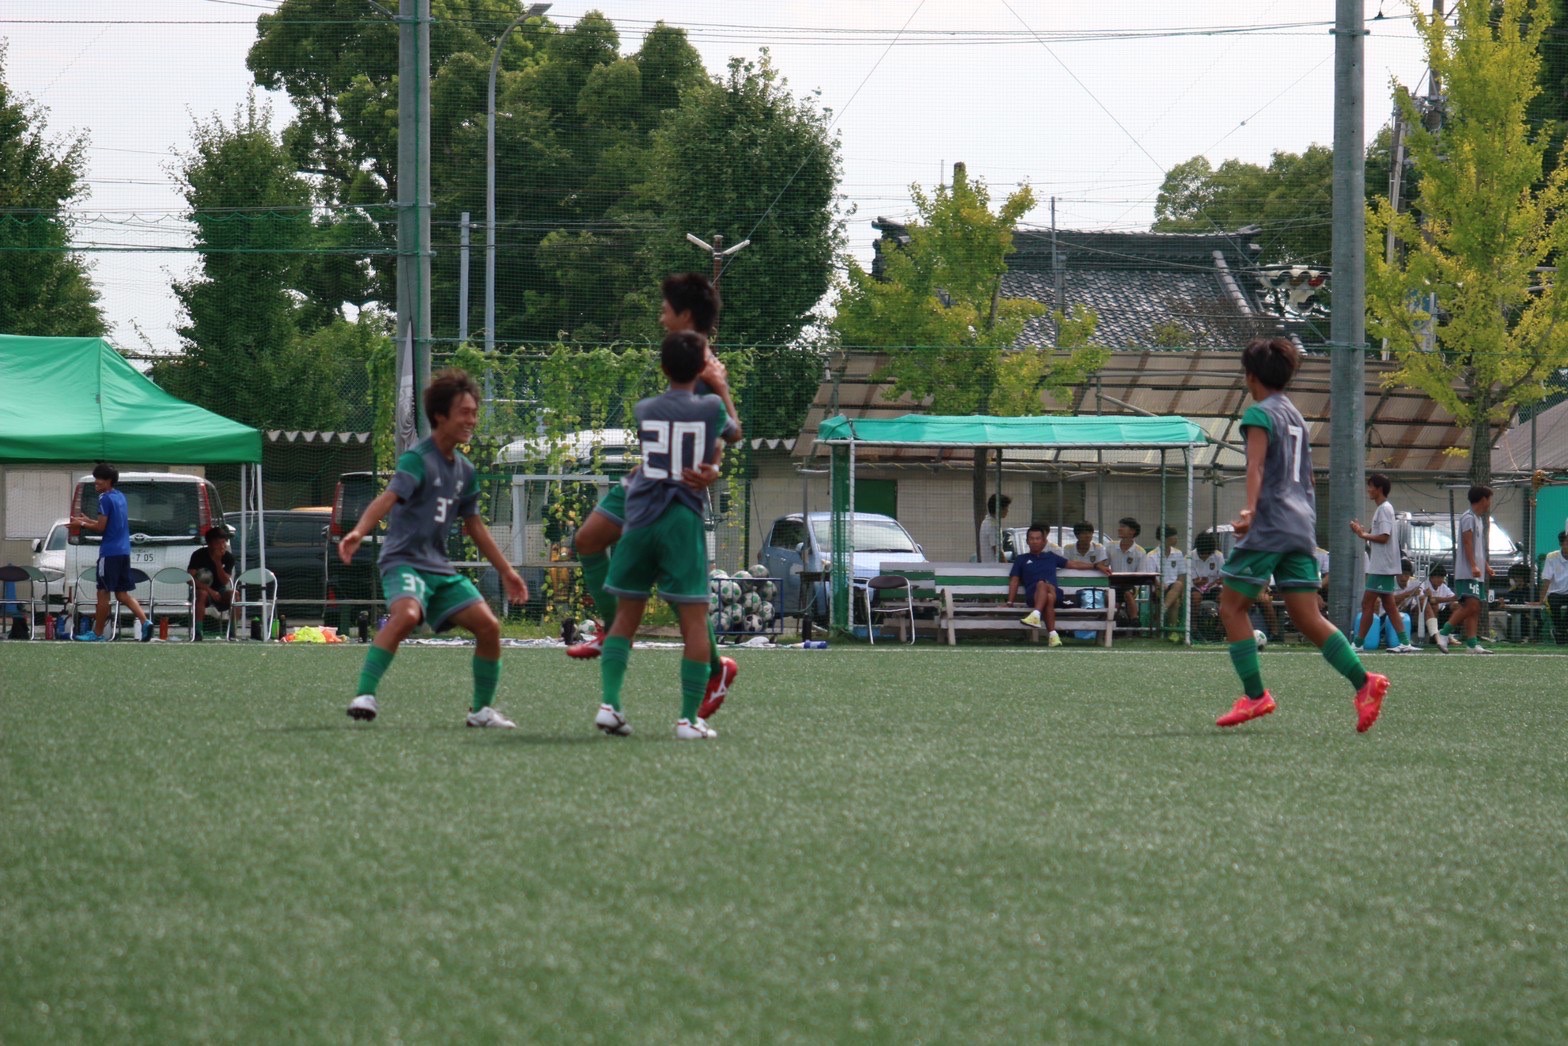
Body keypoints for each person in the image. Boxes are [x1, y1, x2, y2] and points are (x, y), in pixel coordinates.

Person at [566, 273, 740, 721]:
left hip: (667, 492)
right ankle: (615, 631)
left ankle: (713, 669)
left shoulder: (705, 366)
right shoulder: (686, 354)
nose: (661, 316)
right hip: (646, 481)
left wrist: (713, 469)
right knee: (587, 540)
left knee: (684, 601)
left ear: (685, 314)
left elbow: (721, 432)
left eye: (665, 309)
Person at [1213, 337, 1387, 732]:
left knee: (1231, 608)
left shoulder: (1259, 414)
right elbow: (1305, 476)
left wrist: (1250, 510)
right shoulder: (1295, 417)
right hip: (1300, 525)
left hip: (1270, 523)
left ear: (1250, 376)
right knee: (1306, 616)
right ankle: (1365, 682)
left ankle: (1255, 696)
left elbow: (1256, 466)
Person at [342, 369, 529, 728]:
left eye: (474, 412)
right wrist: (359, 531)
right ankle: (364, 694)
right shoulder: (418, 459)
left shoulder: (466, 471)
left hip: (439, 568)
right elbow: (388, 497)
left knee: (489, 627)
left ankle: (481, 711)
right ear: (440, 415)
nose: (472, 420)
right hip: (403, 562)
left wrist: (507, 570)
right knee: (407, 615)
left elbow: (474, 526)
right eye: (464, 412)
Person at [69, 462, 152, 643]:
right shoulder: (120, 496)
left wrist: (81, 524)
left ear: (108, 481)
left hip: (110, 553)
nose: (96, 483)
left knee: (102, 593)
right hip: (123, 552)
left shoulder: (104, 498)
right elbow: (110, 524)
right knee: (122, 594)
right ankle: (145, 622)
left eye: (99, 479)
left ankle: (97, 634)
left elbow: (101, 528)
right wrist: (88, 520)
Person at [1350, 473, 1418, 653]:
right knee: (1388, 605)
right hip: (1383, 566)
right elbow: (1379, 536)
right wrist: (1364, 533)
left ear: (1379, 489)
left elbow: (1384, 537)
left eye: (1371, 486)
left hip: (1382, 567)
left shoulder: (1384, 509)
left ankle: (1358, 643)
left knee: (1367, 604)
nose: (1368, 490)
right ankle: (1404, 642)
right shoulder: (1383, 509)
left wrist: (1363, 534)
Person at [1006, 524, 1102, 647]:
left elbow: (1073, 564)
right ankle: (1053, 635)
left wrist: (1095, 565)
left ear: (1044, 541)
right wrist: (1010, 602)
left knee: (1043, 584)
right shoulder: (1021, 559)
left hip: (1056, 594)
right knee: (1048, 597)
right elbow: (1014, 581)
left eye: (1037, 538)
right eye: (1032, 539)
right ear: (1027, 541)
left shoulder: (1051, 556)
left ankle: (1036, 614)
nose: (1034, 541)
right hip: (1033, 597)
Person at [1433, 485, 1495, 654]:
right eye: (1489, 499)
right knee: (1470, 606)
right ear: (1483, 499)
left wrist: (1485, 566)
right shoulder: (1468, 517)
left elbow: (1477, 547)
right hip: (1467, 572)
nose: (1489, 503)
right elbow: (1467, 543)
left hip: (1476, 573)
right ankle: (1444, 632)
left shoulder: (1478, 519)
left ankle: (1472, 644)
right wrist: (1473, 565)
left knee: (1475, 607)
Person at [186, 525, 234, 640]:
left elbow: (224, 581)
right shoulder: (198, 555)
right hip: (201, 590)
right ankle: (198, 632)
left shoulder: (228, 557)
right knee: (202, 594)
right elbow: (190, 579)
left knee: (235, 595)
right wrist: (209, 590)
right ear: (209, 544)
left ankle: (232, 632)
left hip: (220, 590)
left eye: (224, 542)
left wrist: (218, 562)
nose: (222, 546)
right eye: (218, 543)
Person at [1107, 516, 1147, 626]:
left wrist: (1132, 585)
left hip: (1132, 586)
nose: (1119, 529)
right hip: (1114, 585)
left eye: (1123, 527)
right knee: (1115, 598)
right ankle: (1132, 620)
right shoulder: (1110, 546)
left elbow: (1141, 575)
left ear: (1132, 531)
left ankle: (1134, 621)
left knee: (1127, 593)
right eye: (1120, 526)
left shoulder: (1140, 552)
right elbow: (1104, 565)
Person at [1148, 525, 1187, 638]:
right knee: (1175, 601)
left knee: (1178, 585)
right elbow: (1151, 577)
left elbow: (1181, 575)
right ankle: (1172, 631)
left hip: (1174, 588)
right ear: (1165, 538)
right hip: (1158, 589)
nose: (1176, 538)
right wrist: (1160, 585)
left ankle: (1161, 613)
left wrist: (1181, 591)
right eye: (1174, 536)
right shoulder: (1152, 556)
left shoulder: (1178, 553)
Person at [1539, 531, 1568, 644]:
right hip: (1555, 593)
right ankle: (1561, 632)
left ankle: (1559, 631)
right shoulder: (1552, 557)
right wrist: (1541, 599)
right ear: (1561, 544)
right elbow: (1547, 579)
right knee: (1554, 605)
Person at [1420, 564, 1458, 641]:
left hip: (1440, 615)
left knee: (1456, 605)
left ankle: (1448, 632)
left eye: (1442, 577)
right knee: (1434, 605)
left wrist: (1452, 600)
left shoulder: (1443, 587)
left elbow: (1453, 599)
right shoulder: (1424, 585)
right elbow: (1425, 599)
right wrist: (1448, 599)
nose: (1440, 580)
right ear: (1430, 577)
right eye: (1437, 577)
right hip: (1423, 615)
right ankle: (1434, 636)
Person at [979, 493, 1012, 563]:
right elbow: (997, 550)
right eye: (1006, 508)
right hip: (994, 566)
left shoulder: (985, 522)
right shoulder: (993, 526)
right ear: (999, 509)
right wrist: (1006, 566)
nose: (1007, 510)